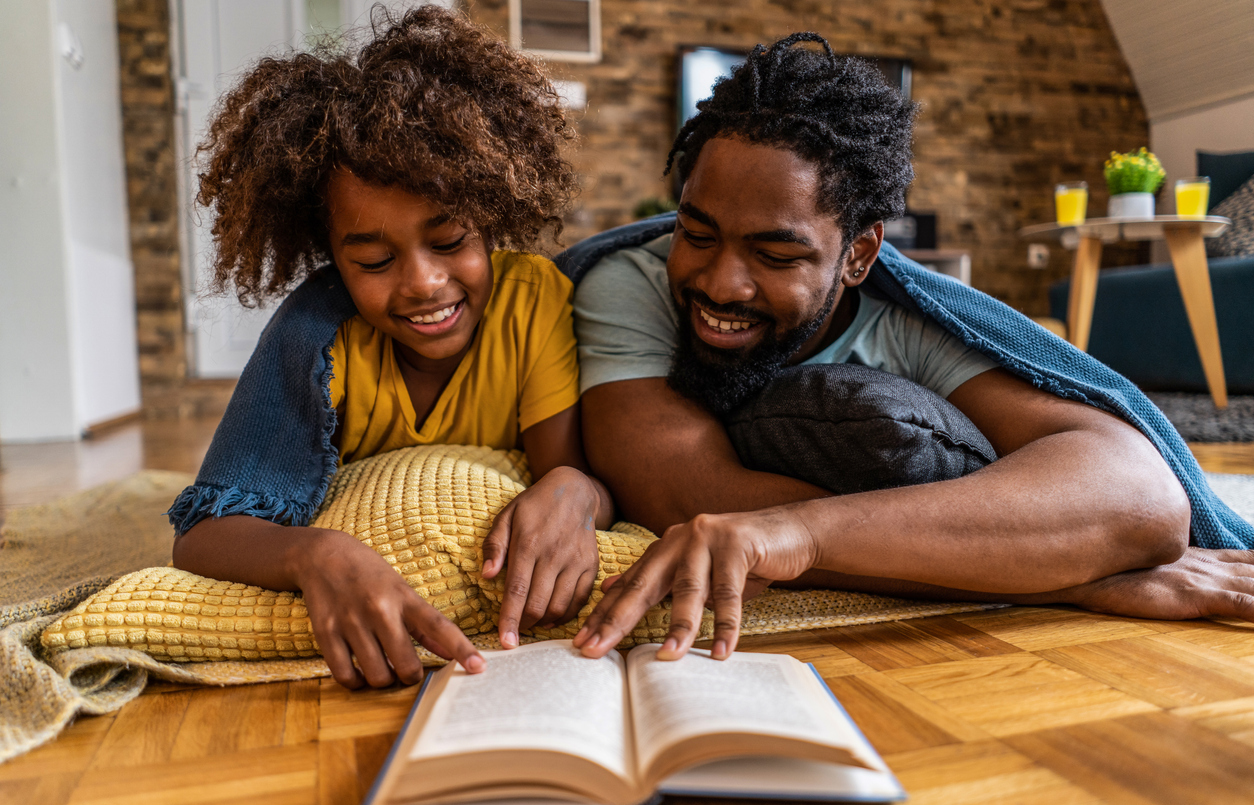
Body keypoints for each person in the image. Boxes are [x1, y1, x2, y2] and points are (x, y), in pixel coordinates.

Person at [567, 33, 1254, 662]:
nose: (719, 283)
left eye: (776, 254)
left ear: (860, 254)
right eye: (698, 233)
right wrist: (1058, 578)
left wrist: (799, 537)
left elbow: (1142, 500)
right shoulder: (631, 281)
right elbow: (678, 490)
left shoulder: (907, 325)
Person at [169, 7, 614, 688]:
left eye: (449, 242)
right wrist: (313, 554)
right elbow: (203, 533)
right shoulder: (313, 336)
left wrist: (575, 492)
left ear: (490, 216)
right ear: (331, 261)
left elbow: (569, 478)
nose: (423, 284)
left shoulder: (534, 300)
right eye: (374, 260)